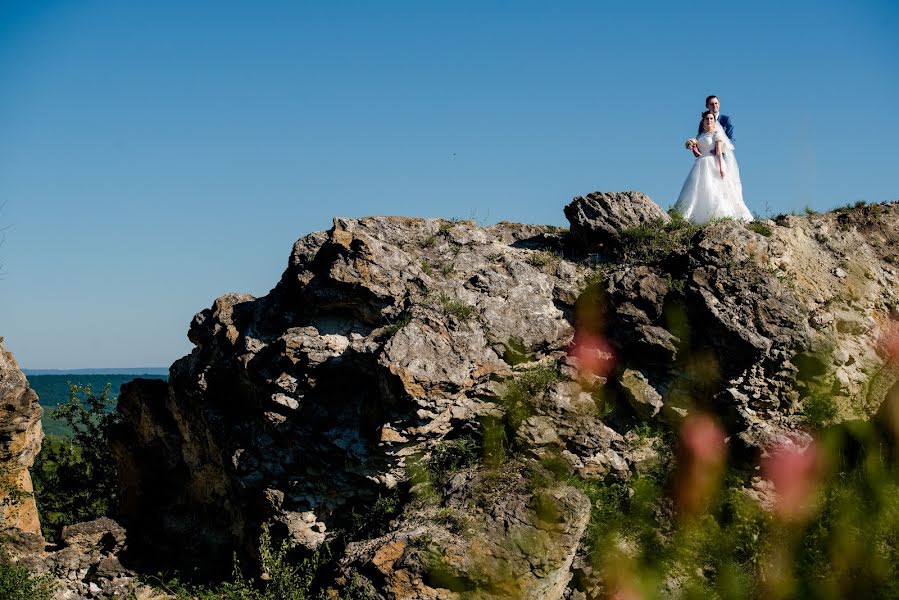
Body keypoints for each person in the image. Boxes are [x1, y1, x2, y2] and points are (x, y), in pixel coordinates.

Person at [674, 110, 753, 224]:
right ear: (703, 121)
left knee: (715, 189)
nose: (709, 120)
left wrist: (721, 168)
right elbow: (698, 153)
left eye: (711, 118)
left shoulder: (717, 134)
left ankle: (717, 216)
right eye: (707, 119)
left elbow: (719, 152)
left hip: (713, 163)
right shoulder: (700, 136)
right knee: (696, 189)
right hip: (700, 164)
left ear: (714, 121)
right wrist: (692, 146)